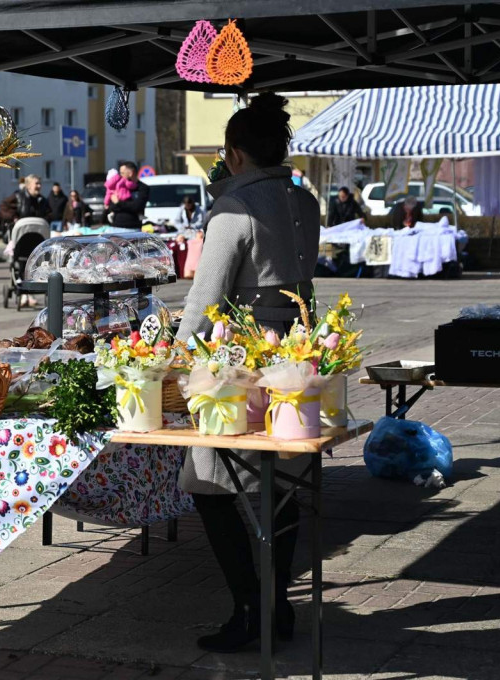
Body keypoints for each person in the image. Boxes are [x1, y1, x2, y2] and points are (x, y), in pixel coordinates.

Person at [175, 93, 319, 654]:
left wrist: (173, 360)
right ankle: (275, 606)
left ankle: (249, 608)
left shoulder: (235, 208)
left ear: (234, 154)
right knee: (282, 487)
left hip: (238, 363)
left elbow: (204, 299)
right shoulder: (302, 200)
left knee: (208, 484)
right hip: (296, 355)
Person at [0, 174, 50, 239]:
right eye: (36, 183)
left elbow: (49, 214)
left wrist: (45, 221)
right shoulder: (18, 197)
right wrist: (14, 217)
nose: (39, 186)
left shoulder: (42, 200)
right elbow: (3, 207)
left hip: (37, 236)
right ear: (28, 186)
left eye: (40, 184)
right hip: (20, 236)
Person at [106, 161, 149, 230]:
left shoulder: (142, 188)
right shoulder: (118, 186)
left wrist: (118, 203)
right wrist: (126, 205)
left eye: (122, 173)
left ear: (130, 173)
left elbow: (137, 206)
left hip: (133, 228)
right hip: (116, 227)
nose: (120, 176)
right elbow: (112, 207)